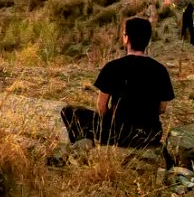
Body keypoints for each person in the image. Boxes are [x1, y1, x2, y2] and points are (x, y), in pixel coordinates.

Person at [61, 17, 175, 148]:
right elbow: (162, 109)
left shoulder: (113, 67)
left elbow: (101, 107)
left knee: (68, 111)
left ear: (126, 38)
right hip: (150, 135)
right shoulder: (160, 70)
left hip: (118, 133)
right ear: (148, 40)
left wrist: (113, 116)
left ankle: (84, 146)